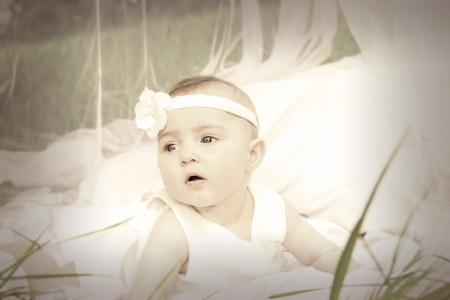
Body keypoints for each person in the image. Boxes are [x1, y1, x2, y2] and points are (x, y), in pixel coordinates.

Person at [127, 76, 357, 300]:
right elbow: (147, 293)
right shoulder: (174, 229)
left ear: (252, 155)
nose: (186, 156)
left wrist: (363, 277)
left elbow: (320, 252)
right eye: (170, 146)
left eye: (207, 139)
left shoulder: (272, 206)